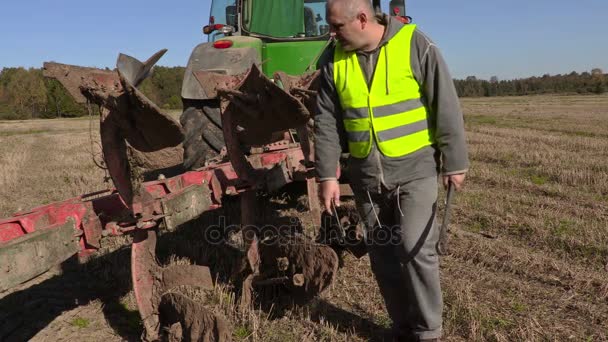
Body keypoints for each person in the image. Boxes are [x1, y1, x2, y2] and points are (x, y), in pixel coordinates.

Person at [314, 0, 469, 341]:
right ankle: (401, 327)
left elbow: (445, 102)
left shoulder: (415, 44)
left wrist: (454, 160)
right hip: (367, 176)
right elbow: (325, 123)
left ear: (363, 18)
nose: (332, 32)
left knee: (414, 249)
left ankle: (428, 331)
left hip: (415, 170)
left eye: (337, 26)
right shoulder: (332, 60)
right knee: (383, 256)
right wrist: (327, 175)